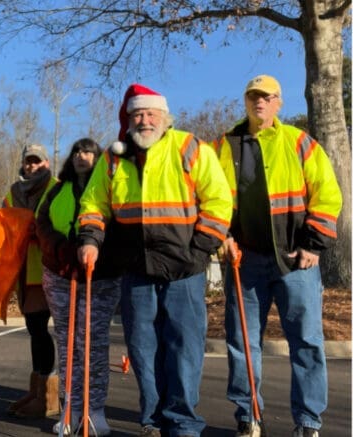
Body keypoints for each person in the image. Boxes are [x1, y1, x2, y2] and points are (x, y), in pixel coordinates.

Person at [77, 84, 233, 437]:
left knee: (184, 348)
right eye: (137, 115)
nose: (144, 120)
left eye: (150, 114)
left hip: (185, 269)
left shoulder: (190, 148)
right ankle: (152, 420)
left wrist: (200, 248)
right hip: (136, 270)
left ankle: (183, 423)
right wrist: (90, 239)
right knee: (143, 350)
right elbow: (92, 204)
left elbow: (219, 202)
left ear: (165, 118)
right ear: (128, 120)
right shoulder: (113, 158)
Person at [215, 74, 342, 437]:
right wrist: (222, 236)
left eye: (268, 96)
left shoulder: (300, 142)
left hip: (296, 261)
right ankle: (249, 416)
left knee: (306, 342)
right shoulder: (225, 145)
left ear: (278, 103)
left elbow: (327, 195)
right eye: (254, 95)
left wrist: (313, 244)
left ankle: (307, 422)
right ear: (245, 100)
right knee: (242, 342)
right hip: (246, 261)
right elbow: (213, 197)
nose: (260, 102)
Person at [36, 138, 122, 436]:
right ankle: (70, 409)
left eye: (88, 152)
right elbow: (42, 225)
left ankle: (94, 410)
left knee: (93, 344)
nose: (81, 156)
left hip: (100, 277)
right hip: (61, 274)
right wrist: (62, 249)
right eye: (77, 151)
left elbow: (119, 228)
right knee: (68, 342)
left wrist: (93, 250)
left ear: (98, 158)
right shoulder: (57, 189)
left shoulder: (108, 188)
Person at [3, 143, 61, 419]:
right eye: (28, 161)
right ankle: (39, 391)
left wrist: (36, 231)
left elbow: (62, 224)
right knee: (36, 330)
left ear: (47, 163)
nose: (32, 166)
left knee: (63, 334)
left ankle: (52, 397)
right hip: (27, 271)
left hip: (55, 269)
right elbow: (3, 225)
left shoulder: (58, 188)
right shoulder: (13, 193)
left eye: (37, 161)